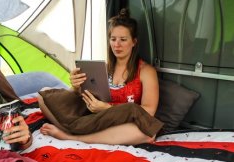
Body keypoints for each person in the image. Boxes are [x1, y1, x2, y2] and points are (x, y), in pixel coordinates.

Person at [38, 8, 161, 145]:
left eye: (123, 39)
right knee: (44, 95)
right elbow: (83, 97)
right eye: (113, 39)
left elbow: (148, 112)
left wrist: (107, 108)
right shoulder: (102, 68)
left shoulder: (146, 71)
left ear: (134, 42)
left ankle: (71, 137)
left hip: (119, 123)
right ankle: (72, 130)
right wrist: (75, 87)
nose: (116, 44)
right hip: (93, 118)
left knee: (146, 133)